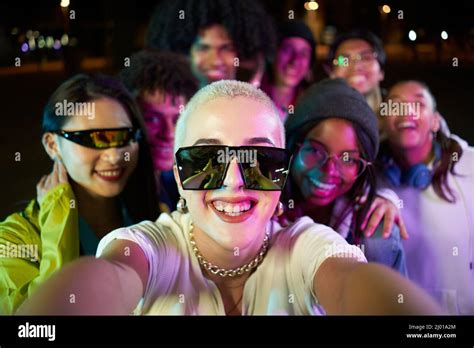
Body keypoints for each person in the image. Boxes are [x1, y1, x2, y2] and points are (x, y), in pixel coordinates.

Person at [16, 80, 442, 316]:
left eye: (258, 158)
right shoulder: (150, 249)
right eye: (206, 159)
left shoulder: (310, 246)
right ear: (179, 179)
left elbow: (350, 284)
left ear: (281, 172)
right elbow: (111, 277)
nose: (235, 181)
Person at [0, 74, 159, 314]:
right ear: (52, 145)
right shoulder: (15, 238)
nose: (115, 156)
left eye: (124, 137)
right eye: (94, 138)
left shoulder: (154, 215)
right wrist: (58, 222)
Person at [283, 78, 407, 274]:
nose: (330, 170)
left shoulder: (376, 239)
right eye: (316, 151)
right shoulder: (261, 215)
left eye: (348, 159)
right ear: (292, 147)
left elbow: (396, 305)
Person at [377, 80, 474, 314]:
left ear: (435, 121)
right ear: (382, 121)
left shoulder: (470, 167)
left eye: (418, 104)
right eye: (395, 105)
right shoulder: (370, 178)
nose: (406, 112)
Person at [120, 49, 199, 211]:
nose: (169, 133)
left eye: (177, 119)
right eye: (152, 119)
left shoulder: (175, 181)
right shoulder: (115, 190)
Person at [145, 0, 276, 87]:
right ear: (185, 53)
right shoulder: (169, 113)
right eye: (204, 48)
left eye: (226, 48)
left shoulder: (254, 110)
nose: (216, 60)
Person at [261, 20, 316, 122]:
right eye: (287, 49)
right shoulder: (249, 98)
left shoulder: (312, 110)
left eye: (303, 54)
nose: (295, 60)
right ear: (273, 54)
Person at [324, 30, 385, 115]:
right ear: (331, 72)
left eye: (366, 58)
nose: (356, 66)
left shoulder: (396, 114)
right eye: (344, 61)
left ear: (381, 72)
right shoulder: (318, 115)